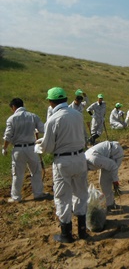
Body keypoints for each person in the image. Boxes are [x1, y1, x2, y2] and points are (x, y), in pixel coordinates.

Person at [39, 87, 89, 243]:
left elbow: (48, 147)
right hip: (80, 157)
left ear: (51, 102)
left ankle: (66, 234)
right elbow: (83, 137)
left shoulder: (53, 120)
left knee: (62, 197)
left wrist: (38, 146)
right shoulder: (78, 115)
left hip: (63, 161)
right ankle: (82, 231)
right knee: (81, 194)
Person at [2, 98, 49, 203]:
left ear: (14, 107)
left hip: (18, 149)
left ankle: (16, 197)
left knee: (18, 174)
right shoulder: (32, 116)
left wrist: (5, 148)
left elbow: (8, 136)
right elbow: (43, 129)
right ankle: (38, 193)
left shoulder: (12, 119)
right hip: (32, 148)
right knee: (36, 171)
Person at [85, 141, 124, 210]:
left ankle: (110, 204)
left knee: (105, 181)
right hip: (106, 155)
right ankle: (110, 203)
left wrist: (115, 181)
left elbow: (113, 166)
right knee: (104, 182)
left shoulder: (94, 159)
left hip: (115, 153)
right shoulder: (84, 161)